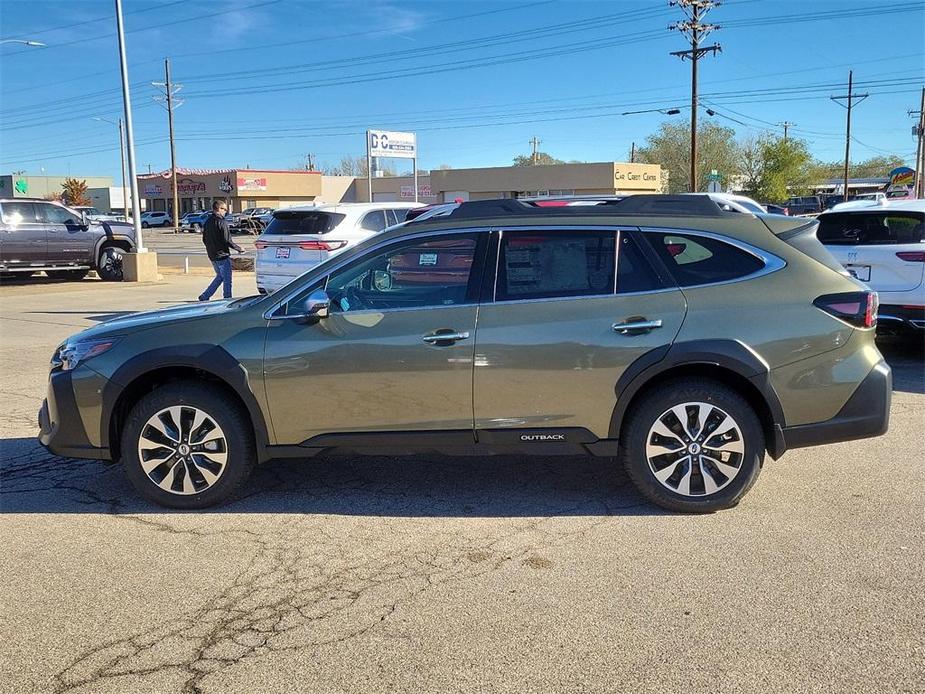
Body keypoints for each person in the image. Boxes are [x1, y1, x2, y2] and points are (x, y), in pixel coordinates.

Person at [198, 200, 244, 301]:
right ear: (219, 209)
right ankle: (227, 299)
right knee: (227, 279)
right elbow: (227, 240)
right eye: (224, 209)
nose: (226, 212)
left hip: (212, 255)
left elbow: (204, 239)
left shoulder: (208, 221)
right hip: (222, 255)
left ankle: (205, 296)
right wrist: (239, 248)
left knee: (220, 276)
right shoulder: (222, 222)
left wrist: (211, 249)